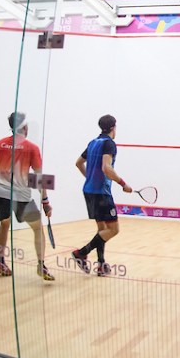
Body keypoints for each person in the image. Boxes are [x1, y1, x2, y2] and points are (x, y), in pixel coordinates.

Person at [0, 113, 54, 282]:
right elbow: (40, 178)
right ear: (25, 127)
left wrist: (6, 182)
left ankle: (0, 261)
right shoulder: (31, 147)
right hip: (21, 196)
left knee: (4, 223)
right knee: (38, 228)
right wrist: (45, 202)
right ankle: (41, 265)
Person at [73, 114, 132, 276]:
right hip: (101, 192)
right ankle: (81, 253)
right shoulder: (109, 144)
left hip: (88, 190)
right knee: (113, 229)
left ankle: (101, 264)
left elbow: (78, 163)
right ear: (113, 127)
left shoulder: (93, 143)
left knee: (102, 229)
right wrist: (123, 184)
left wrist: (89, 177)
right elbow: (107, 168)